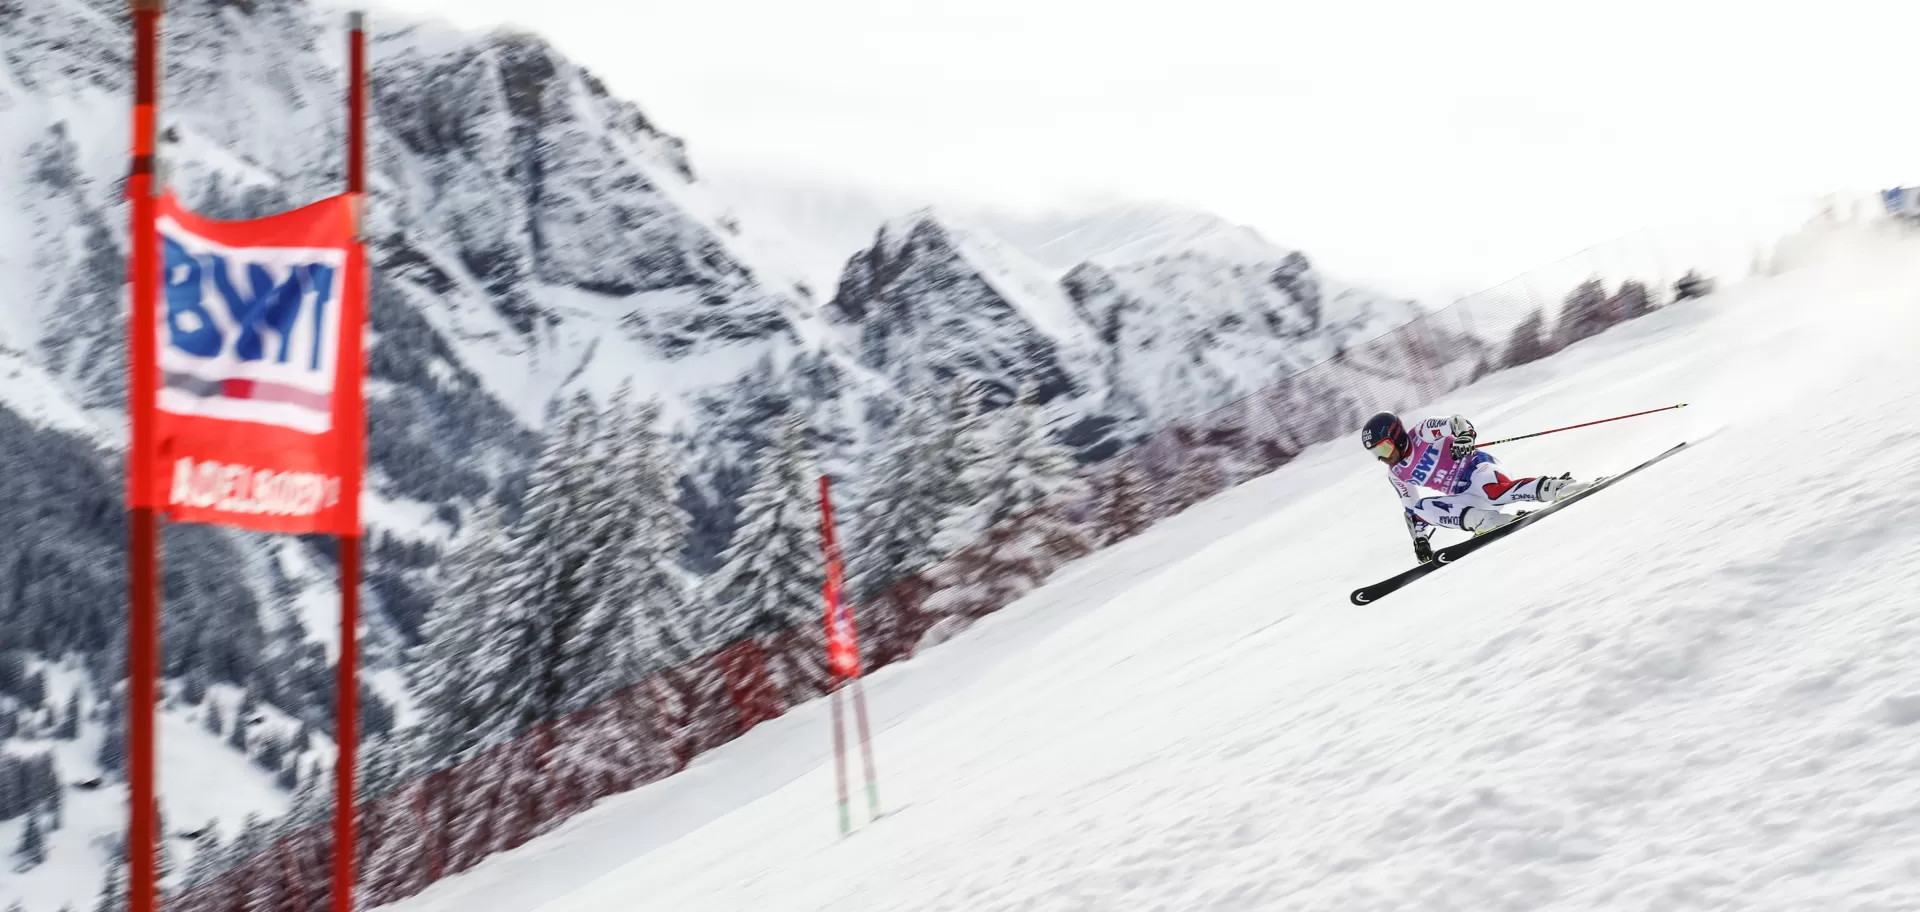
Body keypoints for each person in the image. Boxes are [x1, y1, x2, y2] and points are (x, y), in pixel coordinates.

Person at [1361, 411, 1595, 563]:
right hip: (1464, 494)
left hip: (1478, 469)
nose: (1383, 458)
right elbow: (1412, 510)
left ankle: (1558, 488)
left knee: (1494, 493)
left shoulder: (1422, 433)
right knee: (1422, 508)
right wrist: (1420, 540)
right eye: (1376, 453)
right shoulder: (1397, 474)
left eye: (1384, 448)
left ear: (1397, 437)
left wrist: (1464, 437)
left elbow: (1455, 423)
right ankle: (1487, 521)